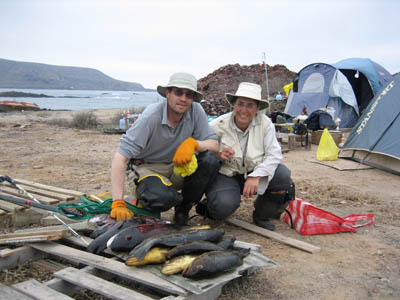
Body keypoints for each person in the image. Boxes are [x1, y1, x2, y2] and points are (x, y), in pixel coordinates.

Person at [110, 72, 220, 225]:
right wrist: (118, 202)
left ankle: (183, 209)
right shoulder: (151, 116)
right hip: (147, 166)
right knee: (161, 198)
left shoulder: (196, 110)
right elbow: (120, 158)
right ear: (168, 93)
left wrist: (195, 144)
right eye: (178, 92)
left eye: (189, 95)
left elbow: (214, 145)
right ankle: (149, 200)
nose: (183, 98)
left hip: (176, 166)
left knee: (210, 160)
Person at [198, 82, 295, 231]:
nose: (244, 110)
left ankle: (262, 215)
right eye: (240, 104)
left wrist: (256, 176)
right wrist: (218, 153)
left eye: (250, 105)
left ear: (257, 108)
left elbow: (274, 155)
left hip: (255, 172)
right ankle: (210, 207)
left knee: (282, 176)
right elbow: (202, 147)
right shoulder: (219, 124)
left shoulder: (265, 124)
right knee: (222, 207)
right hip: (227, 174)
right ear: (233, 105)